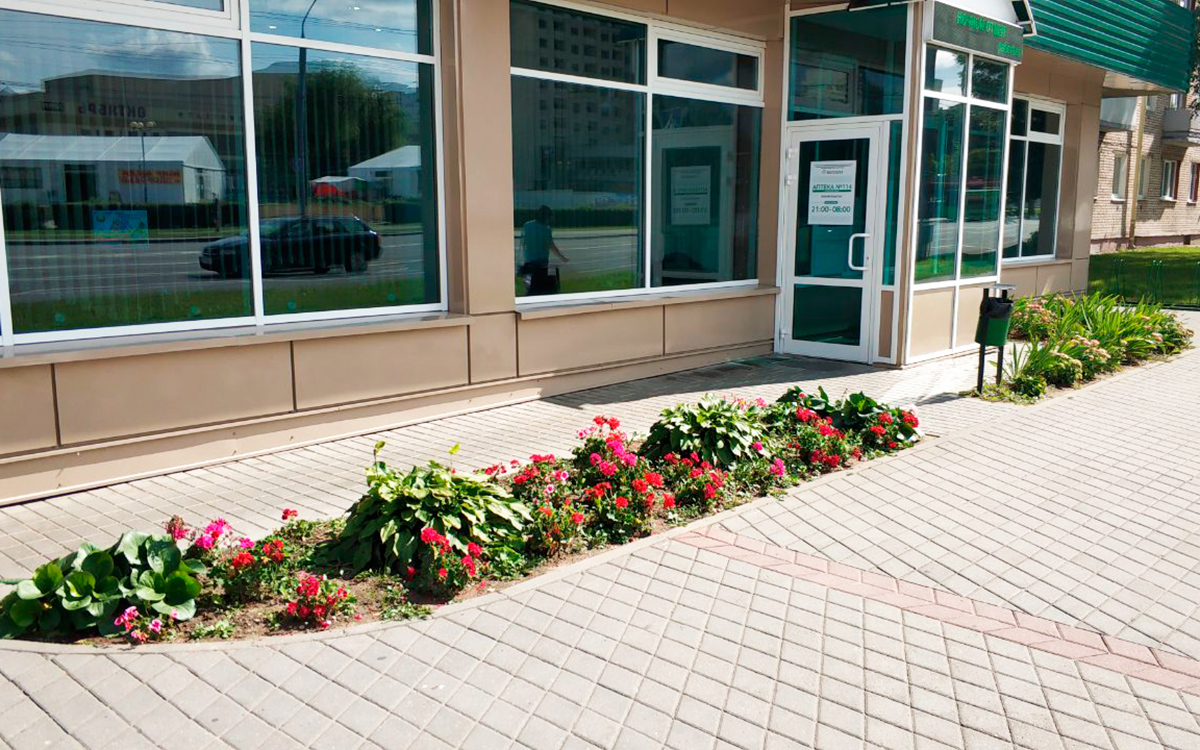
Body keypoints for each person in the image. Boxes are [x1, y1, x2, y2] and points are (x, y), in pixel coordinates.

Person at [519, 205, 569, 295]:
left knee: (530, 288)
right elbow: (551, 246)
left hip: (529, 262)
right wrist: (563, 257)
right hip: (541, 263)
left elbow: (523, 243)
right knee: (543, 287)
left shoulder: (527, 225)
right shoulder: (546, 229)